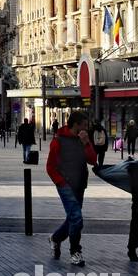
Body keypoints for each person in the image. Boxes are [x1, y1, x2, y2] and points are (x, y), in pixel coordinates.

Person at [46, 110, 98, 267]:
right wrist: (60, 182)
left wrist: (86, 143)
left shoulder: (83, 140)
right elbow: (50, 166)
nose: (87, 128)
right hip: (66, 184)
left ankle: (55, 238)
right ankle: (75, 252)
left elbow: (92, 160)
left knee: (72, 219)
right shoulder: (59, 140)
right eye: (84, 125)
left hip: (80, 184)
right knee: (76, 218)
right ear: (76, 124)